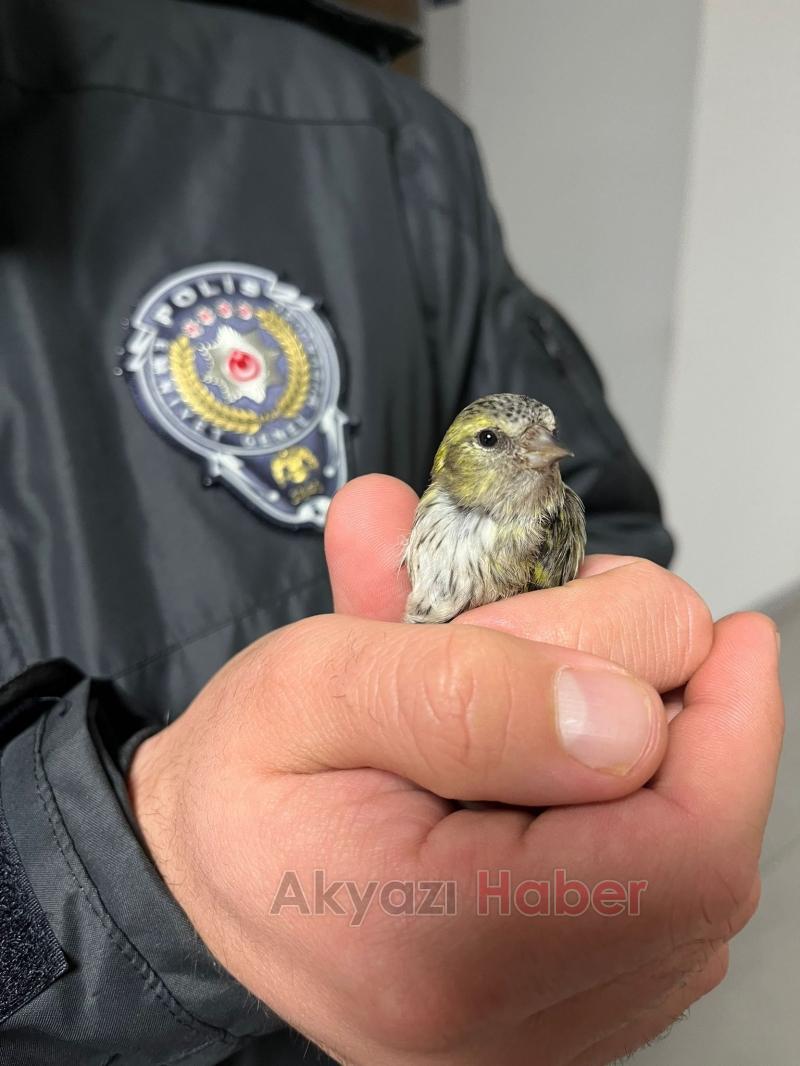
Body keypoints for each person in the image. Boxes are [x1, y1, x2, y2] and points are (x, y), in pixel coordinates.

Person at [0, 2, 782, 1064]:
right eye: (503, 447)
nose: (535, 463)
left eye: (533, 449)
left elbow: (612, 519)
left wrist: (590, 690)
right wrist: (146, 869)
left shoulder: (372, 133)